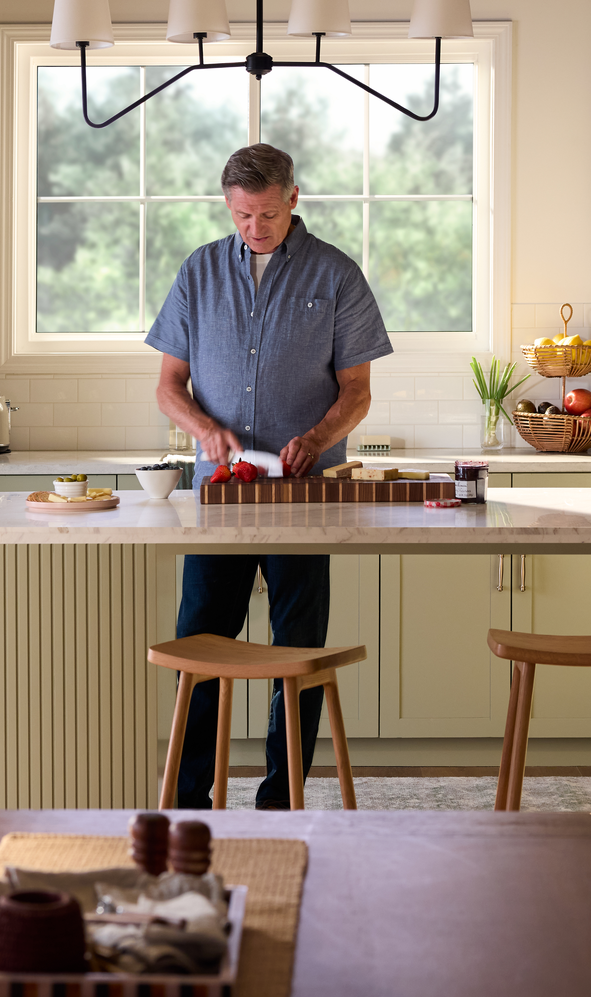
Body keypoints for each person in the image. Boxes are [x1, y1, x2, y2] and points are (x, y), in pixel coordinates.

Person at [145, 143, 392, 809]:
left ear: (294, 197)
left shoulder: (336, 276)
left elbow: (358, 390)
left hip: (305, 497)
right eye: (242, 216)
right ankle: (192, 800)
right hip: (219, 495)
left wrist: (316, 437)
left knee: (298, 654)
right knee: (202, 649)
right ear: (228, 207)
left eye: (267, 214)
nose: (255, 228)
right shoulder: (199, 272)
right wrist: (203, 430)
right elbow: (169, 386)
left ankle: (281, 802)